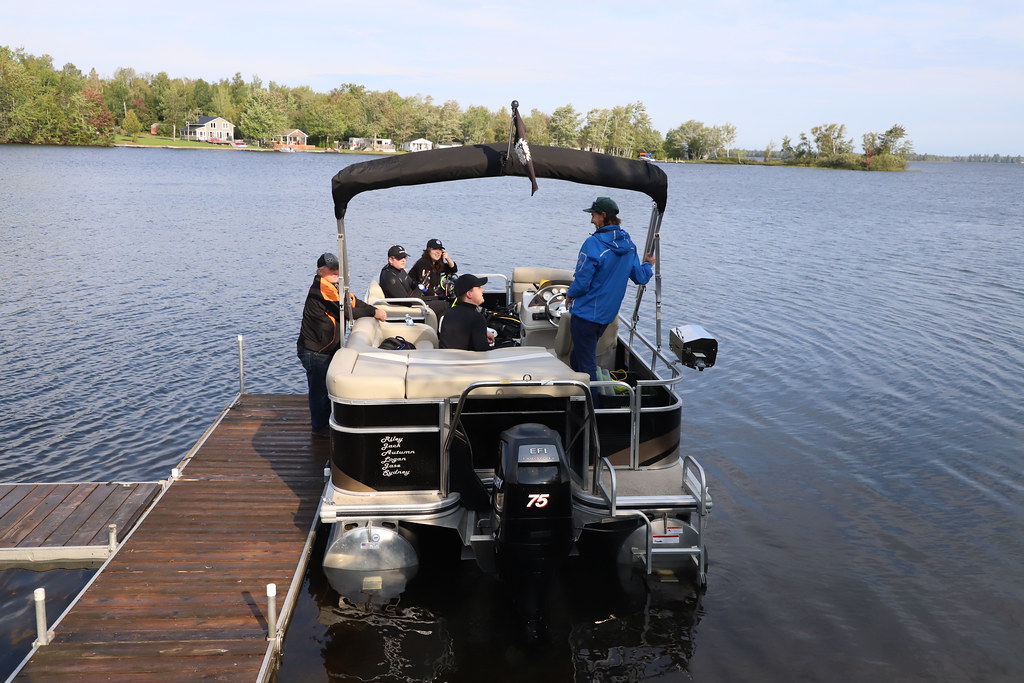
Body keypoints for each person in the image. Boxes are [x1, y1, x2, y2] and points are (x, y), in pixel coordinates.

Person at [566, 197, 655, 383]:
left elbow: (582, 281)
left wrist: (569, 294)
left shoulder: (593, 244)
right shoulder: (629, 245)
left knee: (587, 366)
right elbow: (640, 277)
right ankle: (578, 398)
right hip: (606, 316)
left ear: (603, 215)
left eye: (593, 215)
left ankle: (594, 409)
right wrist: (648, 264)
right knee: (578, 357)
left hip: (585, 315)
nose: (591, 220)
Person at [297, 252, 385, 437]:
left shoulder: (335, 286)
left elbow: (352, 301)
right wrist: (373, 312)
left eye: (337, 268)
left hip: (326, 349)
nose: (336, 271)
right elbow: (344, 311)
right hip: (315, 350)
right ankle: (319, 428)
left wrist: (373, 309)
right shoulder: (322, 289)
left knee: (325, 388)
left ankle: (325, 423)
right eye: (331, 269)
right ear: (320, 271)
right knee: (319, 390)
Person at [379, 243, 450, 317]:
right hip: (408, 308)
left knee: (443, 298)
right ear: (390, 260)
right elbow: (407, 302)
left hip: (414, 299)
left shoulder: (399, 270)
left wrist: (423, 283)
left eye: (404, 257)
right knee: (445, 304)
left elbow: (412, 284)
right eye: (399, 258)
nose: (403, 260)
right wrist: (421, 287)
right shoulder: (391, 279)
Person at [438, 274, 495, 351]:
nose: (483, 290)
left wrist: (483, 332)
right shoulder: (476, 317)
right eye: (479, 288)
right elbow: (483, 351)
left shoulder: (448, 313)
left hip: (448, 360)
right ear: (469, 294)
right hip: (467, 361)